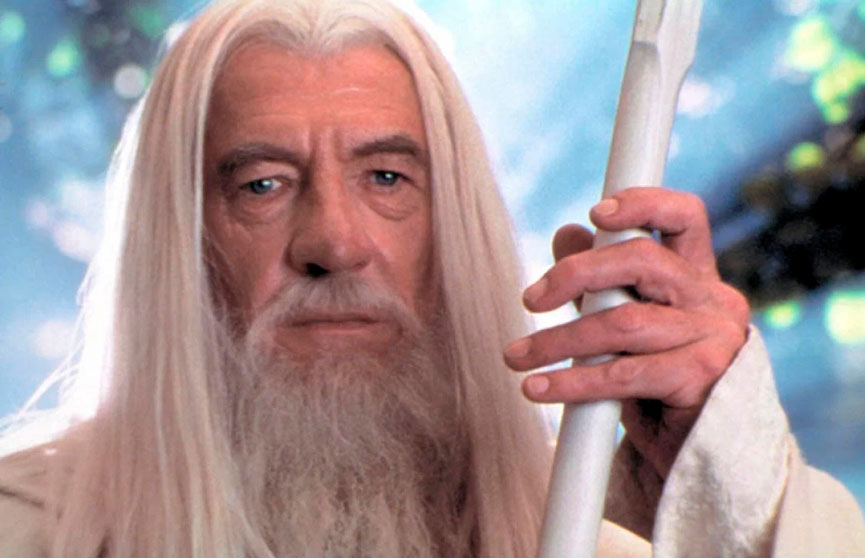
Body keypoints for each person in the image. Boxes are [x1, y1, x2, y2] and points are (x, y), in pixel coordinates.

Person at [0, 0, 863, 556]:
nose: (334, 243)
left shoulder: (586, 540)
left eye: (386, 178)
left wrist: (730, 483)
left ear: (455, 224)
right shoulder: (26, 530)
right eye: (261, 185)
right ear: (177, 239)